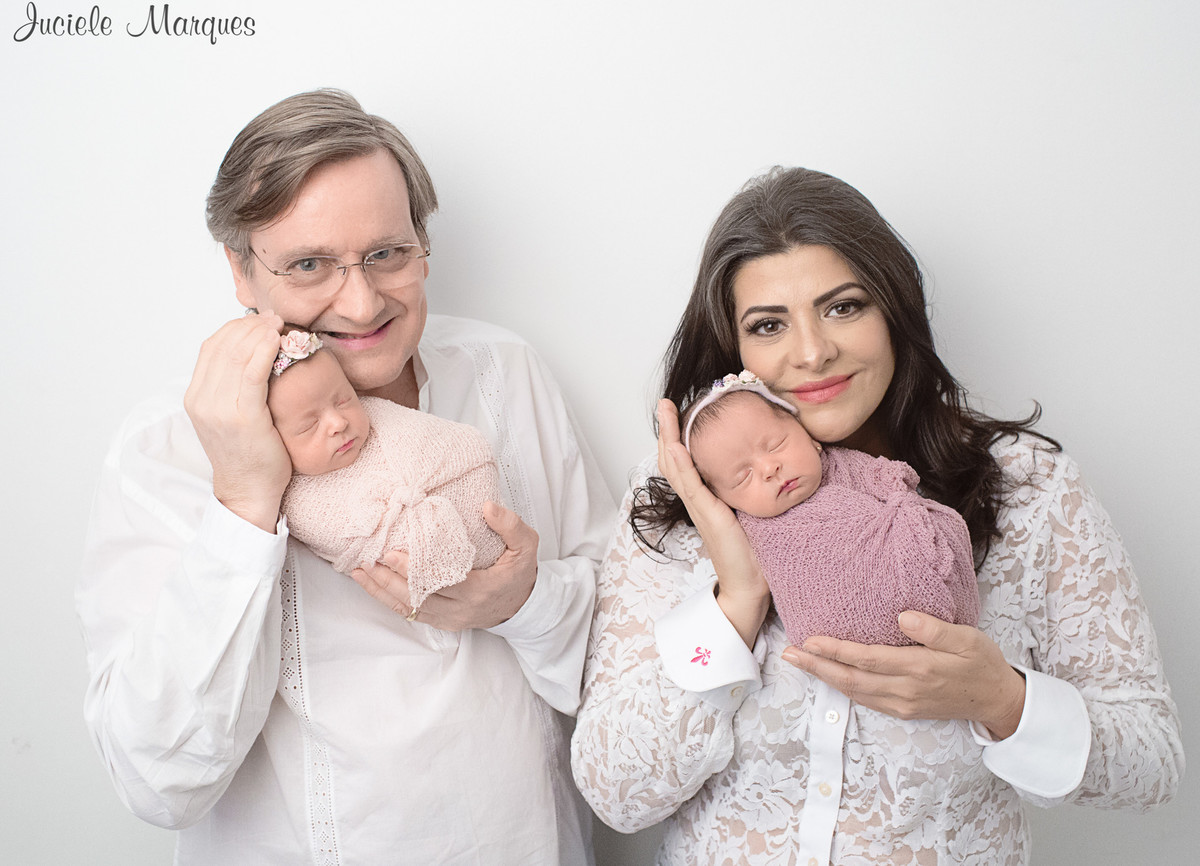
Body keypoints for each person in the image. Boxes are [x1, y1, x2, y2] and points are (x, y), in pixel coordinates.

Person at [571, 167, 1183, 865]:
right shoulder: (678, 505)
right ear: (734, 350)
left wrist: (1001, 701)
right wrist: (736, 601)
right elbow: (614, 793)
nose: (812, 352)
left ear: (894, 310)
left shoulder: (1028, 489)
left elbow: (1152, 764)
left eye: (843, 307)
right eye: (768, 325)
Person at [78, 89, 614, 865]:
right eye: (309, 265)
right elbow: (157, 783)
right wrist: (244, 503)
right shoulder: (164, 448)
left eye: (388, 253)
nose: (361, 304)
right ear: (240, 270)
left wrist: (525, 603)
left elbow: (627, 651)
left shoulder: (504, 370)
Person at [675, 369, 978, 648]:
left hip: (923, 608)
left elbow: (892, 479)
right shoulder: (748, 531)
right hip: (827, 637)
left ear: (810, 438)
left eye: (776, 445)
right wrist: (741, 592)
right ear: (724, 500)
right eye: (743, 476)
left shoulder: (844, 465)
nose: (769, 468)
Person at [267, 329, 505, 610]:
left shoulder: (382, 416)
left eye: (344, 400)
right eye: (309, 425)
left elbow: (456, 445)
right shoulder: (300, 503)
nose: (338, 423)